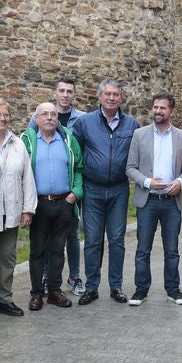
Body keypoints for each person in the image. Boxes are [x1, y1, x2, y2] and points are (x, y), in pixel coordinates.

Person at [71, 79, 139, 304]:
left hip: (119, 189)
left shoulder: (132, 125)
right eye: (107, 94)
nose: (112, 98)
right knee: (92, 241)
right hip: (93, 189)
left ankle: (116, 286)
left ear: (121, 98)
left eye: (116, 94)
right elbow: (77, 155)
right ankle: (91, 287)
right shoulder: (85, 122)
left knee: (117, 240)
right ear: (100, 97)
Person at [126, 93, 182, 306]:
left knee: (172, 250)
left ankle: (173, 289)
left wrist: (180, 182)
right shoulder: (139, 135)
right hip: (148, 200)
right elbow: (130, 168)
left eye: (163, 108)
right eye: (155, 107)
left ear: (171, 111)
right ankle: (141, 290)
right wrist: (147, 182)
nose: (158, 111)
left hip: (172, 202)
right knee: (143, 248)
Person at [0, 98, 37, 318]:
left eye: (5, 115)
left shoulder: (17, 143)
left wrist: (28, 208)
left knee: (8, 257)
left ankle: (5, 299)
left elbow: (27, 177)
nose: (2, 119)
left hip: (11, 209)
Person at [21, 102, 83, 311]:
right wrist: (26, 206)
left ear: (57, 118)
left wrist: (75, 193)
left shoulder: (67, 139)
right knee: (37, 250)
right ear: (36, 118)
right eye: (44, 114)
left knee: (58, 250)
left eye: (53, 114)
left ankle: (55, 291)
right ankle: (37, 293)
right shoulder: (27, 141)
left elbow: (79, 169)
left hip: (64, 202)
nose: (49, 117)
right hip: (38, 204)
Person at [50, 79, 85, 294]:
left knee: (72, 234)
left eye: (69, 91)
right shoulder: (42, 115)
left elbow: (82, 153)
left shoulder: (81, 120)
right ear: (54, 93)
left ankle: (74, 276)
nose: (65, 95)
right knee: (47, 235)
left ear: (74, 95)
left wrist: (77, 189)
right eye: (61, 91)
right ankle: (47, 275)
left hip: (71, 187)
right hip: (48, 188)